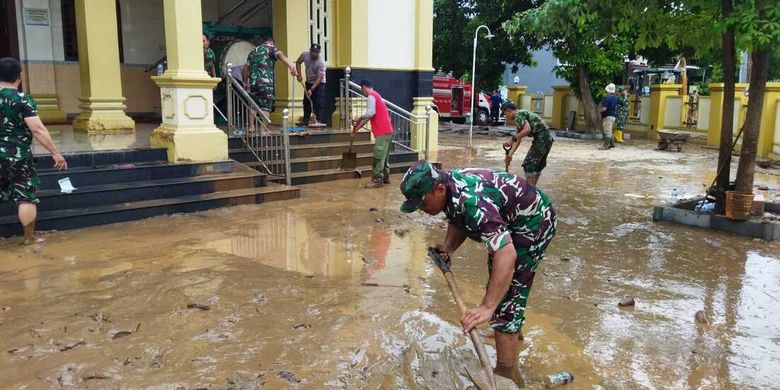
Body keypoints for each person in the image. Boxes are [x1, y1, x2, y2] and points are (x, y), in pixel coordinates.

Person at [399, 160, 557, 383]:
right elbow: (458, 217)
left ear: (439, 189)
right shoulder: (450, 188)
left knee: (505, 299)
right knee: (499, 288)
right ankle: (512, 332)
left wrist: (487, 307)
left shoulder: (472, 202)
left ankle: (506, 373)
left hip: (533, 223)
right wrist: (448, 248)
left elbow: (507, 254)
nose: (422, 210)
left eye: (422, 203)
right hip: (513, 218)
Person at [0, 57, 67, 244]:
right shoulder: (22, 99)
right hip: (17, 156)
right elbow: (37, 129)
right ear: (19, 76)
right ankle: (29, 238)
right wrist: (55, 152)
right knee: (25, 197)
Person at [243, 38, 297, 133]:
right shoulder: (271, 48)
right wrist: (291, 66)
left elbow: (246, 68)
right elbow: (281, 56)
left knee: (253, 105)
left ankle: (251, 127)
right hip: (265, 82)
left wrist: (245, 82)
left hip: (253, 82)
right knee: (265, 106)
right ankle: (263, 130)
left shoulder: (253, 51)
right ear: (272, 43)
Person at [352, 80, 393, 188]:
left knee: (378, 156)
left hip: (382, 131)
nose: (362, 93)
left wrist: (359, 117)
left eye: (362, 90)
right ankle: (385, 178)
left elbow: (370, 113)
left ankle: (377, 180)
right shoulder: (377, 96)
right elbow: (370, 115)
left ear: (364, 88)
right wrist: (358, 127)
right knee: (384, 156)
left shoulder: (371, 96)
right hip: (388, 131)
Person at [501, 103, 554, 186]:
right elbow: (519, 138)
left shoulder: (518, 115)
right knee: (536, 166)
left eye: (505, 114)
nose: (505, 116)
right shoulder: (521, 114)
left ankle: (530, 193)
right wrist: (510, 154)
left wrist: (512, 139)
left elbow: (527, 130)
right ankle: (533, 190)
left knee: (529, 165)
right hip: (547, 139)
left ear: (509, 111)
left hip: (542, 139)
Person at [295, 43, 327, 126]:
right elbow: (298, 62)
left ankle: (318, 121)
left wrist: (311, 89)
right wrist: (299, 75)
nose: (314, 53)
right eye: (312, 51)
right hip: (308, 81)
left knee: (318, 102)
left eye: (316, 52)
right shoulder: (305, 55)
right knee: (306, 101)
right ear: (310, 51)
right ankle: (305, 120)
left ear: (319, 52)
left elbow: (319, 78)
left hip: (319, 83)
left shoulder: (321, 62)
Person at [599, 83, 618, 150]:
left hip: (608, 116)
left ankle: (605, 145)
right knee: (609, 130)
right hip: (613, 116)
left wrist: (599, 110)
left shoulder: (607, 98)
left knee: (607, 131)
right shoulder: (615, 98)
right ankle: (612, 144)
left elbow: (604, 108)